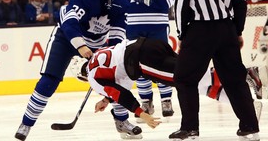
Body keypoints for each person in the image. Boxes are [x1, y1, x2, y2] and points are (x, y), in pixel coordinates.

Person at [14, 0, 130, 141]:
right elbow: (69, 23)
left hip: (96, 44)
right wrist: (81, 46)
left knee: (115, 79)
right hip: (65, 39)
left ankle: (122, 121)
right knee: (48, 81)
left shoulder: (119, 3)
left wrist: (108, 54)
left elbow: (117, 36)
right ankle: (26, 124)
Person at [73, 37, 263, 136]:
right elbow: (119, 80)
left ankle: (245, 74)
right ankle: (245, 105)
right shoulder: (98, 55)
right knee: (192, 85)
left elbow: (121, 93)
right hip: (150, 46)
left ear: (82, 76)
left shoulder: (92, 78)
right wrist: (107, 99)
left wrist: (141, 113)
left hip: (142, 60)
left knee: (187, 78)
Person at [170, 0, 260, 140]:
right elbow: (241, 4)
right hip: (226, 30)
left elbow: (181, 8)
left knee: (184, 79)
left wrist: (182, 35)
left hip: (199, 32)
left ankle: (190, 128)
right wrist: (236, 31)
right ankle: (250, 126)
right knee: (235, 80)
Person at [116, 0, 176, 121]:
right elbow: (119, 0)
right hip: (133, 24)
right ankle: (146, 101)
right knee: (136, 62)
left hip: (157, 23)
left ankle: (166, 99)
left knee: (162, 61)